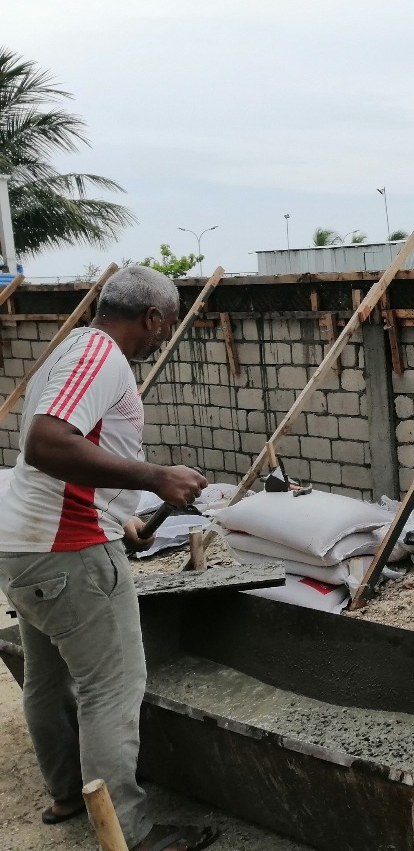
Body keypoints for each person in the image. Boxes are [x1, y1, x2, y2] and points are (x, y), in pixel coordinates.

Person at [0, 267, 216, 851]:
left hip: (24, 546)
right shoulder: (104, 356)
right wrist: (155, 476)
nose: (161, 338)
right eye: (164, 326)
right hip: (68, 554)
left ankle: (69, 794)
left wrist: (121, 515)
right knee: (110, 689)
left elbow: (65, 457)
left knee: (46, 679)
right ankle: (130, 833)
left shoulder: (72, 346)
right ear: (150, 318)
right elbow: (46, 444)